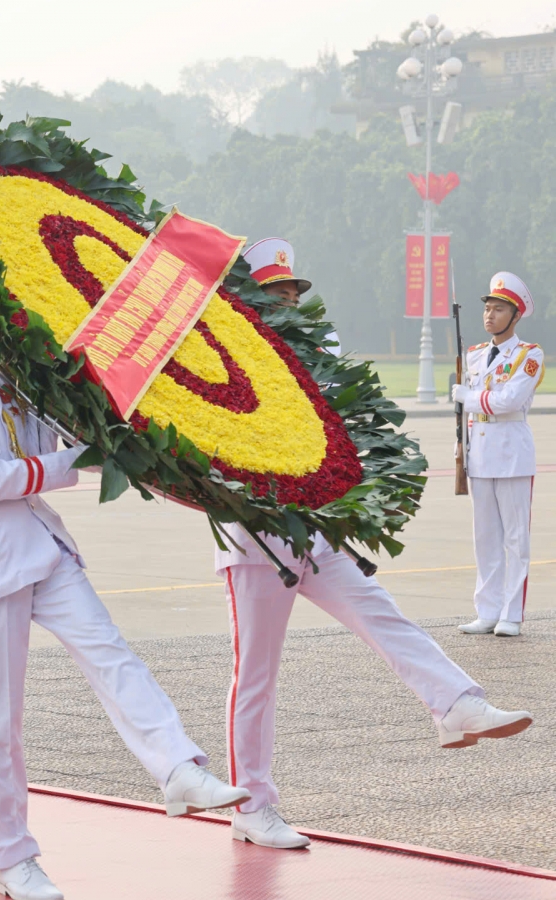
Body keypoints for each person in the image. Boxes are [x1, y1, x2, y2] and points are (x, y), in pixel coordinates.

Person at [0, 234, 248, 900]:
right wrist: (72, 465)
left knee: (111, 653)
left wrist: (99, 421)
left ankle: (177, 767)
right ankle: (13, 860)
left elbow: (55, 432)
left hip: (41, 543)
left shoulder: (2, 373)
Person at [218, 251, 533, 851]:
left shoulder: (317, 348)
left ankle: (457, 703)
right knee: (256, 675)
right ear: (251, 298)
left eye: (292, 291)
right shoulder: (229, 353)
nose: (287, 302)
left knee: (379, 610)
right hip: (255, 532)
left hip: (313, 525)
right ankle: (251, 805)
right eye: (275, 292)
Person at [452, 272, 542, 637]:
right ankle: (487, 610)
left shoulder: (528, 354)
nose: (490, 315)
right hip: (480, 453)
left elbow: (509, 401)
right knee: (485, 537)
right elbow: (466, 413)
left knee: (515, 538)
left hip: (512, 452)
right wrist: (460, 445)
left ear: (515, 315)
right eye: (487, 308)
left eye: (499, 309)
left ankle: (512, 614)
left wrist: (466, 397)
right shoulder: (473, 355)